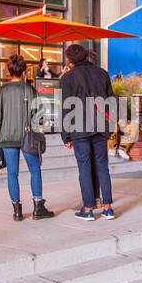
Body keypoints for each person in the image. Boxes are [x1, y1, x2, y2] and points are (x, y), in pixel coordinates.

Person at [0, 54, 53, 221]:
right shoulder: (30, 90)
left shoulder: (1, 91)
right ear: (24, 71)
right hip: (28, 137)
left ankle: (17, 211)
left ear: (9, 71)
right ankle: (38, 208)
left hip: (6, 137)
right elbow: (39, 115)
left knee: (12, 173)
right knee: (35, 170)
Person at [60, 43, 116, 220]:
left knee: (84, 167)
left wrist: (65, 135)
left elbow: (65, 109)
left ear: (68, 60)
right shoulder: (102, 73)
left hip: (78, 128)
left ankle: (88, 209)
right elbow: (111, 102)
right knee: (102, 165)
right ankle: (107, 208)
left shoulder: (67, 79)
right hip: (100, 126)